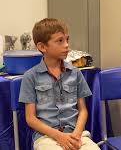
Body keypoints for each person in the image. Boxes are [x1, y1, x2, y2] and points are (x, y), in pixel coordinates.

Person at [19, 18, 100, 150]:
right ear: (42, 47)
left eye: (67, 39)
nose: (67, 45)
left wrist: (76, 135)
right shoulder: (31, 76)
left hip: (76, 134)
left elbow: (83, 110)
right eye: (60, 41)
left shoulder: (75, 73)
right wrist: (58, 136)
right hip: (46, 137)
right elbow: (30, 118)